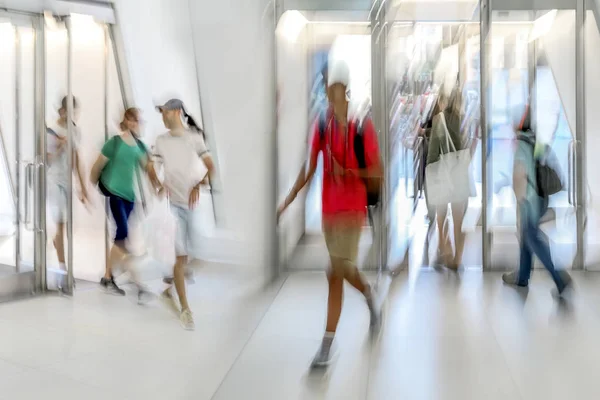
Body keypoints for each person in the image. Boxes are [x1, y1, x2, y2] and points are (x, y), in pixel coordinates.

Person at [278, 60, 382, 368]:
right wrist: (289, 198)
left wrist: (349, 171)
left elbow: (378, 172)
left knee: (335, 269)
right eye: (324, 83)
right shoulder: (322, 123)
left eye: (330, 83)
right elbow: (310, 167)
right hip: (329, 212)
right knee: (337, 273)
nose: (326, 88)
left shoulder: (362, 124)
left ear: (342, 87)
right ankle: (369, 296)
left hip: (352, 209)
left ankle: (326, 346)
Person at [153, 99, 215, 331]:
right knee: (180, 258)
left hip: (191, 206)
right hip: (172, 207)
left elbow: (211, 167)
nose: (162, 116)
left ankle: (169, 290)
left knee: (190, 258)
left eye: (165, 112)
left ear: (177, 112)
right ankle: (185, 309)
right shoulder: (161, 141)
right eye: (161, 113)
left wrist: (199, 184)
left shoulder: (194, 138)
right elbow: (151, 166)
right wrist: (158, 185)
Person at [90, 108, 159, 302]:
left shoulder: (141, 147)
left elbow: (149, 171)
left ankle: (107, 277)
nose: (139, 123)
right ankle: (139, 286)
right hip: (115, 195)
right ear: (127, 121)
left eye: (140, 120)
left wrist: (159, 188)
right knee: (122, 236)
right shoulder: (114, 143)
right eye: (135, 120)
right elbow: (96, 168)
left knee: (120, 240)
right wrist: (91, 190)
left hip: (130, 198)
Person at [502, 105, 572, 295]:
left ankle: (560, 279)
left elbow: (520, 175)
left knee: (532, 238)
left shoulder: (521, 145)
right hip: (542, 198)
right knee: (527, 238)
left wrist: (520, 201)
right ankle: (522, 277)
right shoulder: (537, 142)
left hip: (529, 200)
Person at [46, 96, 89, 287]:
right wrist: (59, 145)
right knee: (61, 224)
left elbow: (76, 158)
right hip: (53, 180)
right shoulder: (51, 130)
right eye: (70, 112)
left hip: (66, 182)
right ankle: (62, 270)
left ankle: (56, 244)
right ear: (62, 111)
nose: (73, 116)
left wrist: (82, 187)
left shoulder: (75, 131)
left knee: (67, 226)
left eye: (75, 112)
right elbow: (47, 158)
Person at [426, 87, 467, 270]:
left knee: (440, 216)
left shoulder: (438, 119)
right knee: (458, 220)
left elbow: (434, 150)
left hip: (443, 174)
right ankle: (457, 258)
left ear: (444, 101)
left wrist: (429, 172)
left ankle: (444, 250)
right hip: (459, 173)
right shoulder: (462, 120)